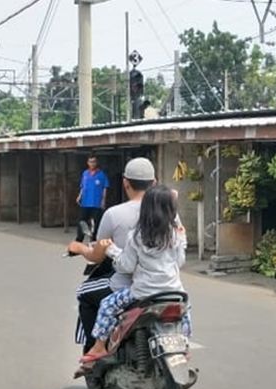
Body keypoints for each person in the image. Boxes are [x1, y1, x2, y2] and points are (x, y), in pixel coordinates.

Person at [81, 184, 190, 364]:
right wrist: (183, 239)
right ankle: (183, 345)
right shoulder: (174, 235)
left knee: (107, 305)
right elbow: (180, 262)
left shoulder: (137, 236)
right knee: (185, 311)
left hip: (142, 293)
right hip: (174, 292)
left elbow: (126, 266)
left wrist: (112, 249)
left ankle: (99, 346)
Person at [67, 157, 155, 353]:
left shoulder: (115, 215)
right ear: (154, 183)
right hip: (167, 285)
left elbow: (98, 257)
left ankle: (95, 349)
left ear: (125, 182)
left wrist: (80, 248)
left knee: (85, 292)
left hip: (132, 284)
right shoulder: (167, 214)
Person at [76, 155, 110, 238]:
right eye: (90, 162)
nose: (92, 164)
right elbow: (83, 186)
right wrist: (79, 196)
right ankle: (79, 238)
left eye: (94, 162)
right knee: (82, 221)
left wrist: (103, 200)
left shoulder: (101, 174)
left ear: (96, 163)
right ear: (87, 163)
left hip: (96, 202)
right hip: (85, 202)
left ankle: (93, 239)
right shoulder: (85, 173)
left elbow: (105, 188)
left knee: (95, 223)